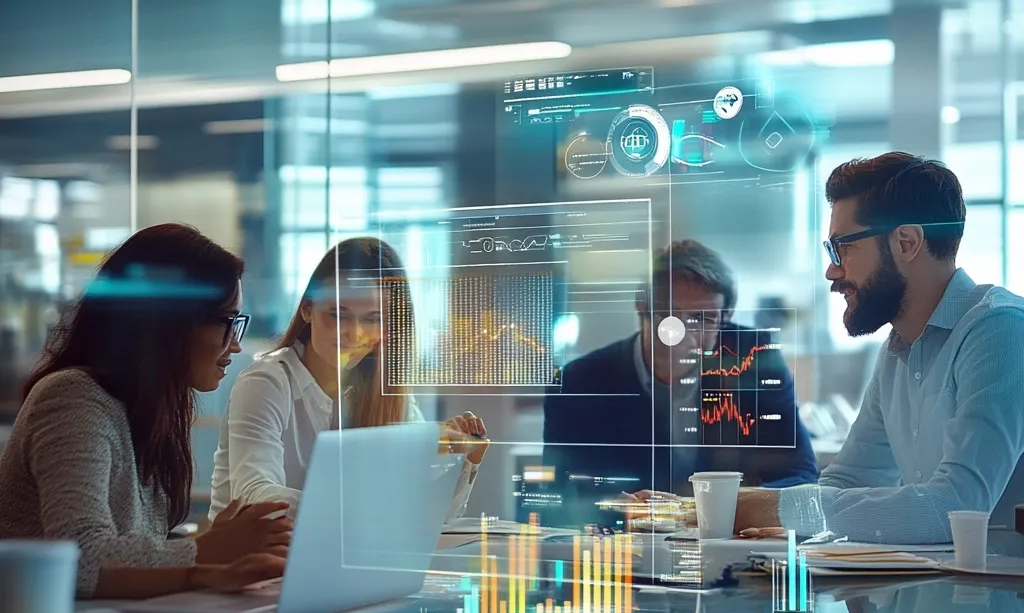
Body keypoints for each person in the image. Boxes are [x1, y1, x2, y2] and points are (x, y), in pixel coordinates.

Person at [734, 151, 1024, 541]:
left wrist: (780, 508)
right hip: (933, 593)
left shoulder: (1001, 331)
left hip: (999, 597)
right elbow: (849, 479)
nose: (832, 271)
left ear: (906, 243)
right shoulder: (898, 347)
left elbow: (956, 507)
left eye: (843, 248)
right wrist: (709, 506)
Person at [0, 224, 291, 599]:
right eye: (226, 322)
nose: (234, 345)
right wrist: (205, 557)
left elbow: (134, 548)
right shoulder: (72, 398)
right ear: (170, 321)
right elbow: (80, 559)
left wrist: (222, 559)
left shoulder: (152, 409)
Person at [209, 237, 488, 521]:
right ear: (307, 309)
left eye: (372, 319)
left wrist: (463, 458)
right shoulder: (266, 383)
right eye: (339, 315)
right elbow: (255, 498)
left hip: (329, 562)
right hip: (251, 562)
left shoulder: (387, 397)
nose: (354, 334)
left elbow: (425, 517)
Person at [542, 239, 818, 525]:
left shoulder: (755, 358)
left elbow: (800, 474)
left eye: (704, 319)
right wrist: (606, 504)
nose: (680, 333)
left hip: (727, 542)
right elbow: (558, 490)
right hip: (628, 548)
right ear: (641, 308)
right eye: (667, 315)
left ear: (725, 318)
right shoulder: (579, 382)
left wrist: (708, 506)